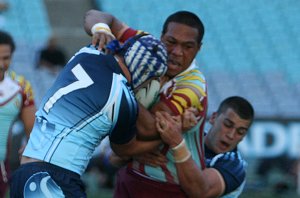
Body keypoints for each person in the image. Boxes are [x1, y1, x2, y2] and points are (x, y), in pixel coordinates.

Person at [9, 33, 168, 197]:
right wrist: (168, 136)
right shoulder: (123, 98)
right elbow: (125, 149)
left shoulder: (88, 52)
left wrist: (101, 27)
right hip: (53, 177)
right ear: (146, 75)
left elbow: (93, 17)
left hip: (27, 171)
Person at [84, 10, 208, 197]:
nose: (176, 52)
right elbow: (95, 14)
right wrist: (100, 28)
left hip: (168, 186)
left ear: (198, 48)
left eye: (188, 46)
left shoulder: (193, 84)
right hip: (128, 177)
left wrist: (119, 79)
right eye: (171, 42)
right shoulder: (147, 46)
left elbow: (149, 129)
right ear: (161, 37)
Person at [156, 96, 255, 197]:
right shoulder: (188, 135)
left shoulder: (235, 166)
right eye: (227, 125)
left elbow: (200, 191)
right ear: (213, 118)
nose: (231, 135)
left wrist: (177, 145)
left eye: (240, 132)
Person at [0, 31, 36, 197]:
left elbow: (32, 129)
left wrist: (32, 147)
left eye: (6, 58)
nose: (1, 64)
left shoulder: (21, 86)